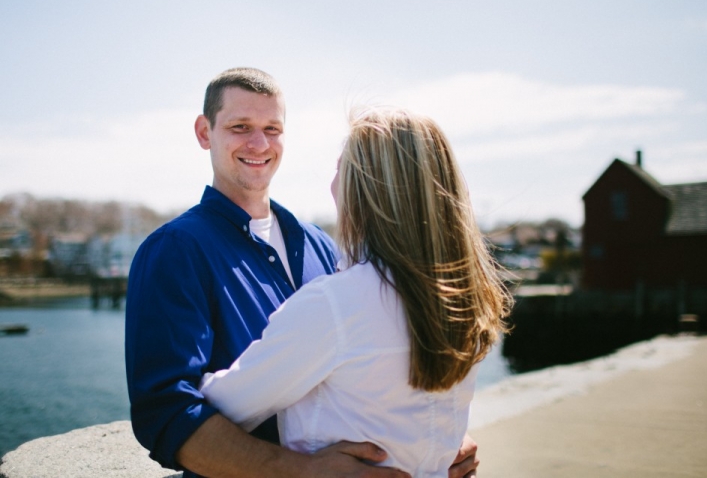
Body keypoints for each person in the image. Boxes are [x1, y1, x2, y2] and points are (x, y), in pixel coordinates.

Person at [125, 68, 480, 478]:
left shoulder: (319, 245)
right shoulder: (174, 250)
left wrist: (434, 440)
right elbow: (166, 414)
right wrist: (300, 471)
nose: (259, 143)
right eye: (240, 127)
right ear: (205, 132)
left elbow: (382, 356)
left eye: (272, 129)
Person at [199, 107, 511, 476]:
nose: (332, 185)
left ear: (364, 189)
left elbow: (223, 404)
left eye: (339, 169)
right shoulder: (466, 298)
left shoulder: (334, 304)